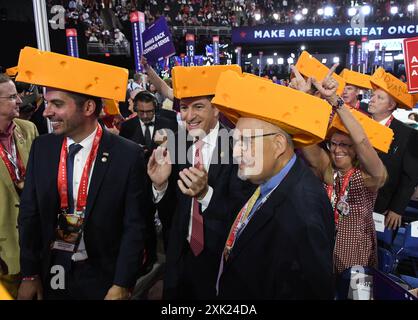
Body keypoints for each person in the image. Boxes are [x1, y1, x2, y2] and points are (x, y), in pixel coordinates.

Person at [16, 47, 148, 300]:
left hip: (103, 275)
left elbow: (135, 226)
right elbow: (29, 215)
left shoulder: (127, 154)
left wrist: (122, 283)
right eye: (46, 103)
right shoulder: (42, 147)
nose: (46, 112)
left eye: (57, 104)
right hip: (53, 267)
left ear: (88, 107)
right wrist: (30, 273)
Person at [211, 69, 335, 299]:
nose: (236, 152)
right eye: (236, 142)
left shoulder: (303, 214)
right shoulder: (270, 181)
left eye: (246, 142)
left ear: (279, 145)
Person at [147, 65, 254, 299]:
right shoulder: (176, 144)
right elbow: (171, 214)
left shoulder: (238, 145)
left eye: (198, 106)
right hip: (179, 258)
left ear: (216, 109)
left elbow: (244, 213)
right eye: (184, 108)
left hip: (221, 259)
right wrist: (160, 187)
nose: (189, 116)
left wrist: (205, 194)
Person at [292, 65, 387, 274]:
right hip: (322, 252)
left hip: (355, 259)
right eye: (333, 143)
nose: (337, 149)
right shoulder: (328, 171)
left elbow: (362, 141)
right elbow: (303, 140)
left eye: (345, 144)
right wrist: (302, 98)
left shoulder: (369, 177)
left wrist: (335, 100)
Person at [0, 73, 38, 298]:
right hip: (4, 255)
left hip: (35, 246)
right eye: (12, 97)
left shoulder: (28, 129)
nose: (19, 102)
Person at [368, 68, 418, 230]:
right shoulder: (359, 125)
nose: (372, 100)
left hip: (383, 207)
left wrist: (397, 208)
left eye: (379, 97)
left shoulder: (407, 134)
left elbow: (409, 177)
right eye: (373, 95)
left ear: (391, 105)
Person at [119, 90, 177, 160]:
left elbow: (175, 154)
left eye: (149, 111)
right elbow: (123, 153)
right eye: (141, 111)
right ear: (135, 109)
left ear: (155, 109)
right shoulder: (126, 126)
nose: (145, 116)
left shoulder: (169, 125)